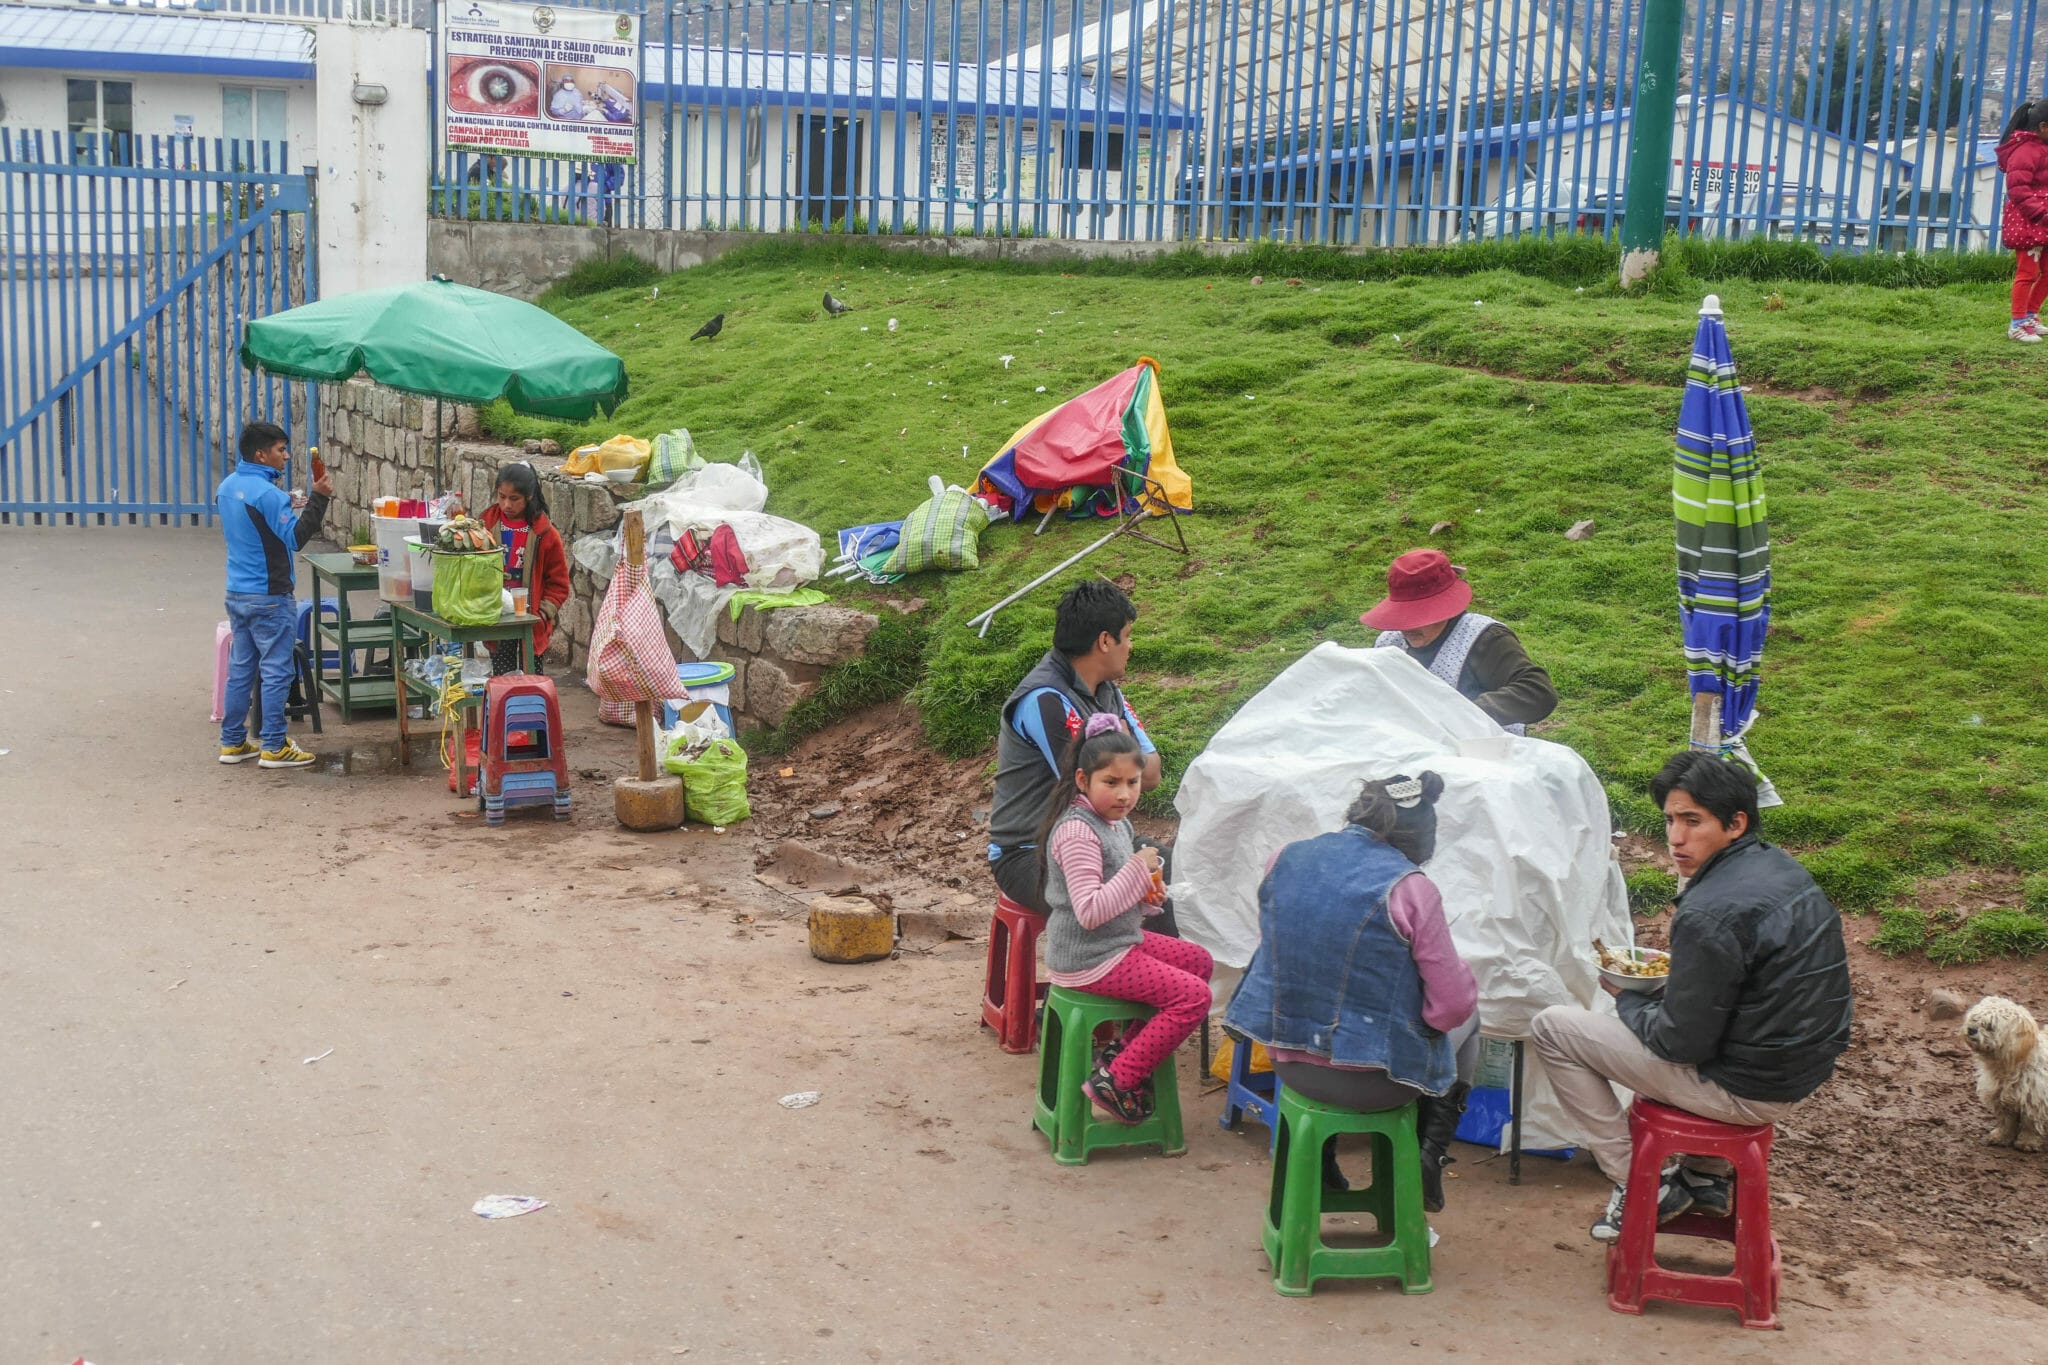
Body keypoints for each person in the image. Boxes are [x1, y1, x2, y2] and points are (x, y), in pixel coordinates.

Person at [1530, 752, 1853, 1244]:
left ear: (1735, 823)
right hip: (1797, 1072)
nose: (1676, 837)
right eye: (1670, 820)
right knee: (1668, 1014)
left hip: (1746, 1088)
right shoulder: (1780, 870)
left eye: (1692, 821)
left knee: (1553, 1028)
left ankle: (1640, 1181)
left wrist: (1628, 997)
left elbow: (1680, 1044)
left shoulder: (1709, 912)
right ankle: (1704, 1174)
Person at [1224, 772, 1480, 1211]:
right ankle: (1427, 1155)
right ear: (1422, 839)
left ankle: (1319, 1157)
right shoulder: (1411, 888)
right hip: (1375, 1081)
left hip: (1288, 1064)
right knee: (1470, 1019)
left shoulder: (1283, 859)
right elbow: (1449, 1009)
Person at [1037, 714, 1213, 1124]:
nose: (1123, 794)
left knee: (1199, 962)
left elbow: (1118, 894)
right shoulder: (1077, 832)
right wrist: (1137, 869)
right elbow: (1091, 911)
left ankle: (1122, 1053)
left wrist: (1148, 896)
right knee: (1193, 997)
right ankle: (1117, 1080)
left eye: (1132, 783)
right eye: (1111, 783)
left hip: (1116, 942)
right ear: (1083, 780)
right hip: (1089, 956)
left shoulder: (1115, 822)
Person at [987, 579, 1165, 919]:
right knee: (1138, 889)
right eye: (1127, 636)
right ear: (1104, 641)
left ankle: (1158, 969)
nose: (1130, 645)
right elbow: (1086, 791)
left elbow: (1152, 774)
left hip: (1098, 837)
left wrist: (1122, 763)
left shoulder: (1108, 692)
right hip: (1029, 853)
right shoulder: (1046, 699)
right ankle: (1116, 971)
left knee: (1171, 869)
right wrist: (1125, 752)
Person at [216, 420, 331, 769]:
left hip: (238, 590)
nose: (286, 456)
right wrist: (319, 500)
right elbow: (294, 538)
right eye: (280, 450)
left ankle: (233, 741)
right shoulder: (268, 495)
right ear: (261, 454)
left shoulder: (227, 487)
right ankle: (275, 745)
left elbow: (257, 528)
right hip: (270, 595)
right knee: (277, 670)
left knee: (241, 670)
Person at [1363, 548, 1556, 733]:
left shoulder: (1483, 639)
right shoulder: (1388, 643)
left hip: (1481, 752)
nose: (1407, 628)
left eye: (1418, 616)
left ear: (1444, 609)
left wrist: (1463, 713)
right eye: (1402, 617)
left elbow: (1537, 692)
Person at [479, 462, 570, 674]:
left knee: (531, 682)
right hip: (497, 620)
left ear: (529, 496)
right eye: (501, 497)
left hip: (532, 623)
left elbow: (559, 583)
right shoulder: (485, 526)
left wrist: (542, 613)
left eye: (514, 499)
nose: (506, 505)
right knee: (502, 682)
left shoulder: (546, 534)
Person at [1996, 99, 2048, 344]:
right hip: (2030, 221)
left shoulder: (2043, 149)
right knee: (2027, 272)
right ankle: (2016, 323)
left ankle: (2030, 314)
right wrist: (2040, 214)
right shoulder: (2025, 150)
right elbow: (2017, 189)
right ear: (2043, 126)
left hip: (2044, 219)